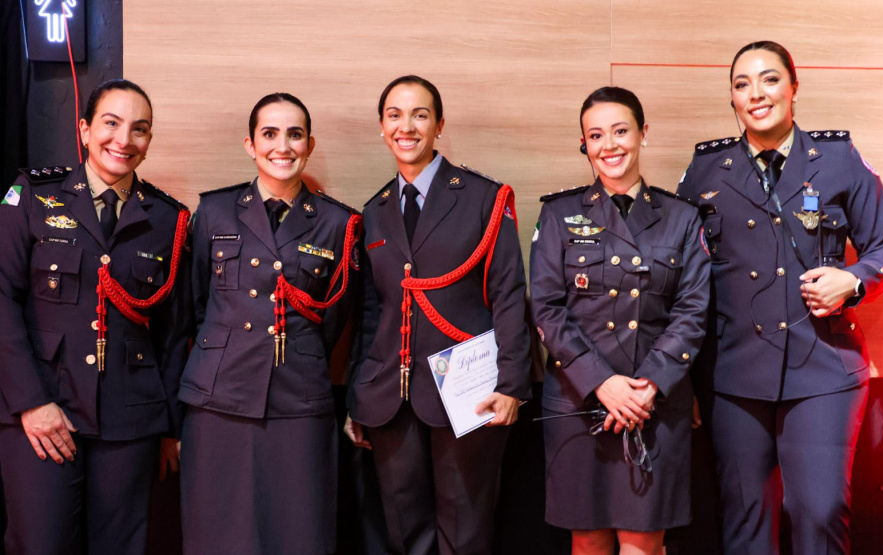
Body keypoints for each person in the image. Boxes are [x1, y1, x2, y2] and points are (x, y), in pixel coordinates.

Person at [677, 41, 883, 554]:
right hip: (733, 373)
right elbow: (684, 276)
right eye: (742, 84)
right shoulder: (704, 172)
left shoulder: (838, 158)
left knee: (820, 511)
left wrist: (853, 281)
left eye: (769, 79)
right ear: (733, 99)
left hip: (824, 366)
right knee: (745, 518)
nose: (756, 94)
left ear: (794, 88)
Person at [0, 79, 192, 555]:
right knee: (40, 545)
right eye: (111, 124)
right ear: (84, 130)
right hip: (43, 409)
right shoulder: (32, 196)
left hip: (130, 417)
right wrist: (29, 401)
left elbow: (173, 332)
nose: (123, 140)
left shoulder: (168, 219)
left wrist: (170, 427)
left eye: (139, 129)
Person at [344, 75, 531, 555]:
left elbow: (509, 294)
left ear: (439, 124)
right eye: (395, 116)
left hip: (468, 394)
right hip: (391, 397)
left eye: (420, 115)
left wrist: (511, 384)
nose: (406, 127)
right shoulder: (376, 209)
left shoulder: (482, 198)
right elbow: (372, 313)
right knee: (404, 532)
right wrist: (359, 395)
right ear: (382, 127)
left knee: (465, 530)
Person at [178, 92, 361, 555]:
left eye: (295, 134)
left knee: (299, 532)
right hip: (218, 397)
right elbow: (196, 307)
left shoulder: (338, 224)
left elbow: (334, 319)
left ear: (310, 145)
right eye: (270, 134)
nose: (283, 146)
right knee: (218, 533)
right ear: (250, 144)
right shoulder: (214, 212)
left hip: (298, 396)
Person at [529, 86, 709, 555]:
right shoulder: (559, 214)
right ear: (584, 145)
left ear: (643, 134)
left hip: (655, 403)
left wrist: (647, 384)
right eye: (595, 135)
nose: (609, 145)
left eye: (620, 131)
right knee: (587, 541)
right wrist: (602, 384)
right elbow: (546, 308)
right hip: (578, 400)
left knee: (644, 543)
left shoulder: (681, 217)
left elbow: (692, 311)